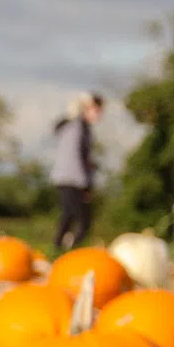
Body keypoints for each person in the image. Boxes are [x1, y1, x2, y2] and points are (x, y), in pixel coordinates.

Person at [50, 92, 101, 252]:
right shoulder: (76, 127)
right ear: (86, 108)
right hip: (72, 180)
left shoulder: (80, 128)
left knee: (69, 216)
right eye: (96, 110)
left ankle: (60, 250)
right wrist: (87, 184)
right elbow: (76, 158)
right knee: (82, 220)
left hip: (69, 178)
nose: (99, 115)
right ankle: (65, 251)